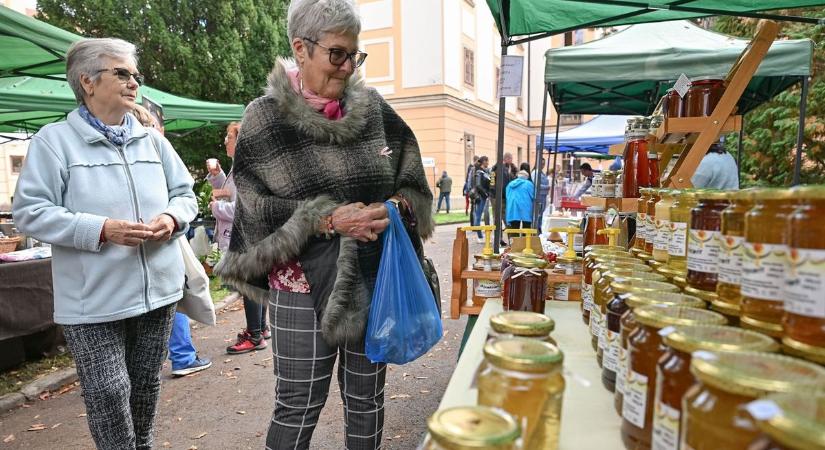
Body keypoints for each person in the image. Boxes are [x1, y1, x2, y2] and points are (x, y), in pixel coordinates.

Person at [214, 1, 434, 447]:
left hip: (371, 278)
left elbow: (412, 179)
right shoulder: (265, 116)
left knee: (366, 400)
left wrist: (391, 206)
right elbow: (254, 205)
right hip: (300, 286)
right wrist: (327, 219)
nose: (349, 67)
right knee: (297, 404)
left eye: (355, 55)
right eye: (338, 54)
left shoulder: (374, 110)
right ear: (301, 48)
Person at [12, 38, 197, 450]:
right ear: (87, 81)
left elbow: (186, 195)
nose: (134, 83)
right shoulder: (53, 141)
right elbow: (29, 212)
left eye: (136, 75)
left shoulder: (154, 141)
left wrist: (171, 217)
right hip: (92, 299)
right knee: (109, 392)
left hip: (158, 291)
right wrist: (101, 228)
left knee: (145, 389)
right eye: (123, 73)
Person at [133, 105, 212, 376]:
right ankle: (182, 356)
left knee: (168, 295)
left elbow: (183, 195)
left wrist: (171, 218)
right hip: (152, 251)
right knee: (171, 294)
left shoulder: (157, 151)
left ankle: (178, 356)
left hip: (161, 241)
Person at [206, 123, 272, 354]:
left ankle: (254, 336)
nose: (225, 141)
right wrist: (217, 178)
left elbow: (242, 207)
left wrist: (216, 208)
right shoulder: (244, 166)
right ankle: (260, 329)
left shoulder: (246, 169)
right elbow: (232, 192)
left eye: (229, 136)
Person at [471, 156, 492, 241]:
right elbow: (478, 185)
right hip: (481, 197)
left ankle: (482, 236)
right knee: (478, 216)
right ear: (484, 162)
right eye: (487, 161)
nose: (488, 163)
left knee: (481, 216)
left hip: (483, 196)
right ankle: (480, 237)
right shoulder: (479, 172)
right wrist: (485, 194)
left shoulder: (484, 171)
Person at [531, 158, 550, 231]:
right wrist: (547, 187)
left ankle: (539, 228)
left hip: (543, 196)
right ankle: (536, 228)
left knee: (541, 214)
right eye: (541, 163)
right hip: (538, 196)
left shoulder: (541, 172)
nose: (543, 165)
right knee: (537, 214)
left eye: (543, 164)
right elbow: (536, 184)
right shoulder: (535, 172)